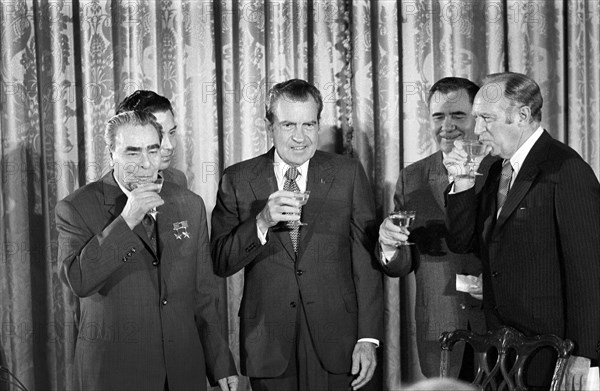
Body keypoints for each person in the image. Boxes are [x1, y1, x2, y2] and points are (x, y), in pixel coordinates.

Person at [210, 79, 383, 391]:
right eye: (288, 124)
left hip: (339, 343)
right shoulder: (237, 179)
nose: (300, 137)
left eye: (309, 124)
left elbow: (366, 261)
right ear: (269, 125)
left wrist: (367, 338)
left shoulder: (348, 174)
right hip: (270, 343)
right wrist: (260, 223)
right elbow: (221, 261)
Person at [56, 111, 238, 391]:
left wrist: (220, 361)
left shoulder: (189, 204)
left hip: (182, 371)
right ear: (111, 153)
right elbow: (79, 281)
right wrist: (127, 220)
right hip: (116, 373)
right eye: (132, 153)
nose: (145, 164)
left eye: (152, 151)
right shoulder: (76, 208)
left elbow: (202, 294)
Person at [444, 72, 600, 388]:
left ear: (522, 115)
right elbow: (464, 243)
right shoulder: (494, 171)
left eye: (486, 118)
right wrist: (462, 181)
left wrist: (582, 355)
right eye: (476, 119)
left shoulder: (565, 168)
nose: (476, 130)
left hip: (552, 352)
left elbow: (589, 271)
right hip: (502, 350)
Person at [377, 77, 491, 378]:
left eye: (458, 115)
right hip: (439, 330)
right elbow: (402, 266)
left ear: (477, 117)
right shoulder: (412, 177)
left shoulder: (501, 169)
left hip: (497, 327)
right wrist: (389, 246)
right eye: (439, 116)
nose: (447, 126)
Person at [117, 90, 188, 188]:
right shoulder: (97, 195)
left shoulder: (178, 179)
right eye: (160, 135)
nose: (170, 146)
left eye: (171, 133)